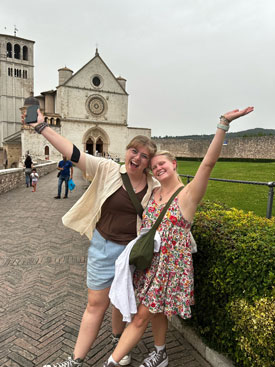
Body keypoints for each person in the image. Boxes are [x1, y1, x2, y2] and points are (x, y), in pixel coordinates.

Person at [103, 107, 254, 367]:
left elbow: (208, 163)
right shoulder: (154, 193)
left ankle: (112, 362)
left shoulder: (188, 195)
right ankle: (160, 353)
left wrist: (223, 124)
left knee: (140, 318)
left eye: (162, 163)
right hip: (149, 264)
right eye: (154, 166)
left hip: (170, 268)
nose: (158, 168)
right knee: (157, 312)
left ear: (174, 164)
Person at [26, 110, 159, 367]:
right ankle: (75, 360)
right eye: (135, 151)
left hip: (130, 253)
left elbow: (180, 195)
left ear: (148, 163)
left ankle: (117, 339)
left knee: (121, 303)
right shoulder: (108, 168)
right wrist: (42, 127)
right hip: (103, 247)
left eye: (144, 156)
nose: (138, 158)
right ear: (127, 152)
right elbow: (74, 153)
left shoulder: (153, 186)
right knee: (95, 305)